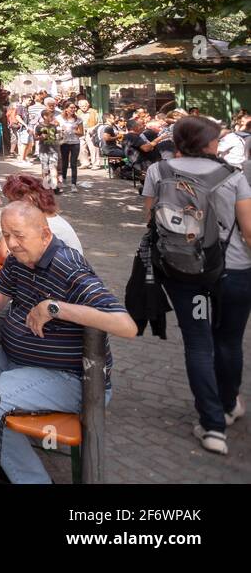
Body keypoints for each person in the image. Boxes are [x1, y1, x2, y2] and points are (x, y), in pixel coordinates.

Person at [0, 202, 135, 482]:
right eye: (6, 236)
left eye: (18, 235)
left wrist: (55, 307)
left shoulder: (66, 264)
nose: (11, 244)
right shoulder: (20, 258)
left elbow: (126, 325)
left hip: (69, 378)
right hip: (18, 361)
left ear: (45, 234)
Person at [141, 115, 251, 454]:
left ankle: (212, 425)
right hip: (234, 272)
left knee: (199, 343)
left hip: (185, 273)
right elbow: (248, 231)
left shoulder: (157, 172)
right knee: (229, 341)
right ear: (208, 143)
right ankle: (228, 405)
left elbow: (150, 219)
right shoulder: (234, 176)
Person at [0, 173, 83, 255]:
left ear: (28, 200)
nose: (9, 206)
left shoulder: (46, 225)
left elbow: (4, 254)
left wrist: (10, 226)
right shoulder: (47, 217)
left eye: (11, 201)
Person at [56, 104, 84, 194]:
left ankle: (73, 184)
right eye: (71, 108)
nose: (73, 109)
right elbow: (55, 128)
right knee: (64, 162)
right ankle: (63, 179)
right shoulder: (59, 118)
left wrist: (73, 131)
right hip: (64, 143)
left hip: (75, 143)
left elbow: (81, 133)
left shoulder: (78, 119)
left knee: (73, 163)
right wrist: (60, 130)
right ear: (66, 109)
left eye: (74, 108)